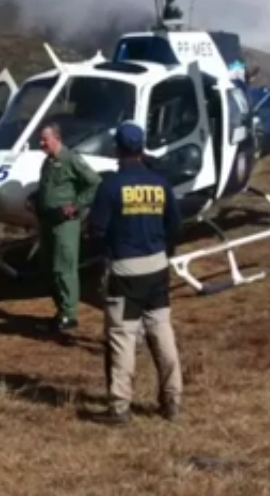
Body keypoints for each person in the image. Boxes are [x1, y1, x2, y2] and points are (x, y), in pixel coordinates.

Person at [85, 121, 183, 425]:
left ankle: (120, 406)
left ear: (117, 148)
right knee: (161, 331)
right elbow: (175, 226)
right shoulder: (160, 184)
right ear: (142, 148)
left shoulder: (111, 186)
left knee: (123, 337)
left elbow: (96, 230)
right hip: (157, 267)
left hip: (126, 270)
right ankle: (172, 400)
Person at [31, 122, 101, 332]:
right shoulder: (48, 163)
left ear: (57, 138)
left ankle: (70, 314)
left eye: (45, 139)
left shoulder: (71, 159)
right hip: (47, 222)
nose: (41, 143)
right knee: (48, 269)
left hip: (65, 224)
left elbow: (94, 182)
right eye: (41, 139)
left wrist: (75, 206)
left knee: (64, 268)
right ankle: (61, 310)